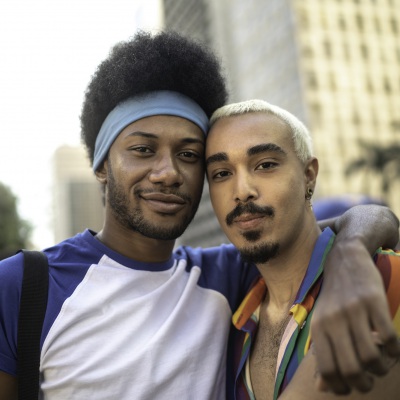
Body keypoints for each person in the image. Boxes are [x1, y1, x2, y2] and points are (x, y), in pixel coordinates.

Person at [0, 31, 398, 400]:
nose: (168, 173)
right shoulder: (24, 285)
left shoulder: (227, 274)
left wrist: (352, 259)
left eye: (188, 155)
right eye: (142, 150)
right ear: (103, 165)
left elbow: (346, 224)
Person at [205, 99, 400, 399]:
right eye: (221, 173)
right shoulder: (233, 321)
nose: (242, 190)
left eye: (265, 165)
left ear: (309, 175)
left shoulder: (379, 277)